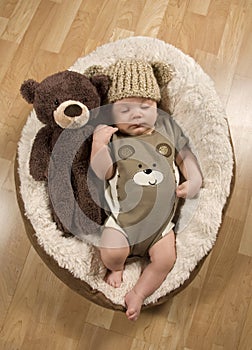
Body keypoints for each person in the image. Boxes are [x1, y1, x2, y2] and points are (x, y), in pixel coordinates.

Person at [90, 59, 202, 321]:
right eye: (125, 109)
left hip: (160, 228)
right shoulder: (114, 138)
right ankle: (116, 268)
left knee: (165, 260)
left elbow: (184, 154)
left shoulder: (166, 129)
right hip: (124, 223)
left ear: (157, 107)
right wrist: (98, 144)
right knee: (111, 251)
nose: (137, 114)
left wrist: (194, 178)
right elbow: (103, 172)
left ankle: (138, 293)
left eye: (145, 106)